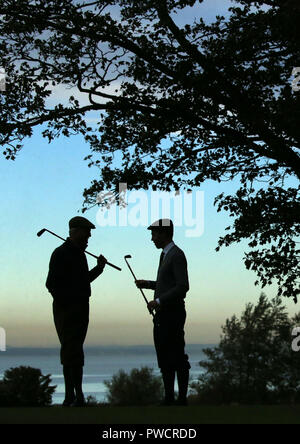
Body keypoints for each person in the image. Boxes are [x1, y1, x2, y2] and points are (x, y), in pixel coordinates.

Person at [46, 216, 107, 407]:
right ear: (75, 231)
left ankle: (76, 395)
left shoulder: (80, 254)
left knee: (75, 351)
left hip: (81, 309)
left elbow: (83, 280)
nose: (89, 235)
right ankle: (72, 396)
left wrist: (99, 268)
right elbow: (51, 284)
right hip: (66, 310)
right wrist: (68, 299)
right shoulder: (61, 253)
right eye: (86, 231)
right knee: (70, 350)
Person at [136, 219, 191, 406]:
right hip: (164, 314)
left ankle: (181, 399)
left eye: (154, 234)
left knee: (177, 355)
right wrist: (149, 284)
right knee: (164, 354)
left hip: (172, 313)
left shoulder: (176, 255)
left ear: (165, 234)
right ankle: (169, 398)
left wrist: (158, 300)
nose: (152, 238)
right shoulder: (165, 255)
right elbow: (168, 284)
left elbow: (183, 286)